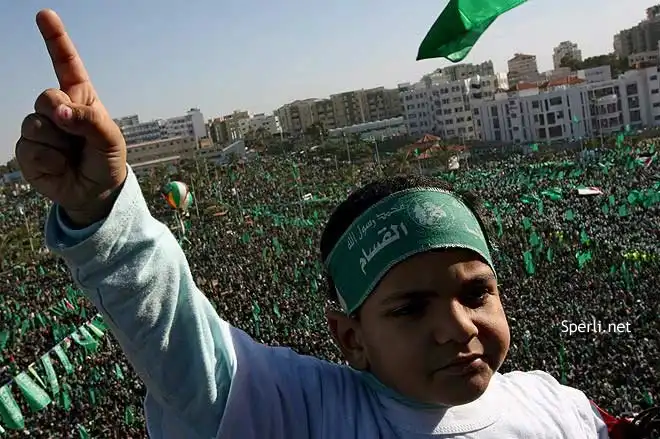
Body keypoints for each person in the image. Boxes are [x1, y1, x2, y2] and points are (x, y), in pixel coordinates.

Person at [16, 9, 657, 439]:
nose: (458, 326)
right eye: (410, 308)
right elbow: (182, 346)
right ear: (351, 338)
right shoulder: (310, 415)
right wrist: (104, 209)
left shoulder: (559, 407)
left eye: (476, 292)